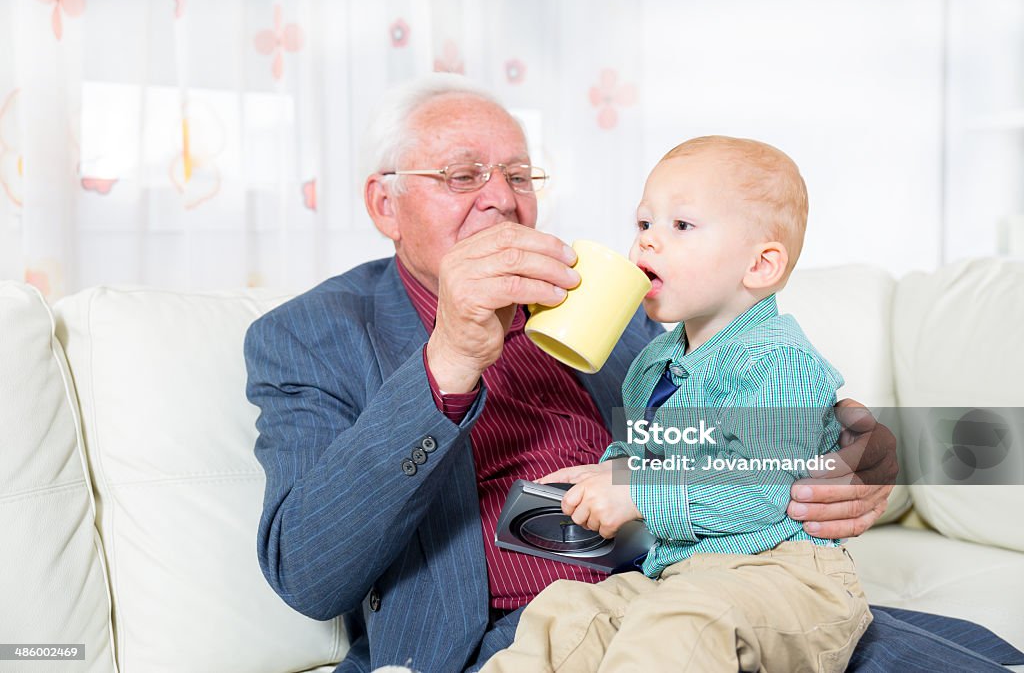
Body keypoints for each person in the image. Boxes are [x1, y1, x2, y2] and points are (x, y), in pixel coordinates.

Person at [243, 74, 897, 673]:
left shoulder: (597, 296)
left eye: (521, 176)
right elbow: (309, 574)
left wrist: (861, 446)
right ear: (386, 205)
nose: (501, 198)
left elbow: (737, 405)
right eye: (464, 175)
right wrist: (448, 360)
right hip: (517, 634)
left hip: (706, 586)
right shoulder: (309, 335)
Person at [482, 136, 871, 672]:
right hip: (680, 574)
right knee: (566, 614)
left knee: (679, 623)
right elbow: (640, 448)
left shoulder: (782, 361)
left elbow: (762, 487)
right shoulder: (652, 362)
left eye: (680, 226)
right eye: (644, 224)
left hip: (786, 576)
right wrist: (609, 473)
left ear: (760, 265)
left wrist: (639, 493)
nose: (647, 244)